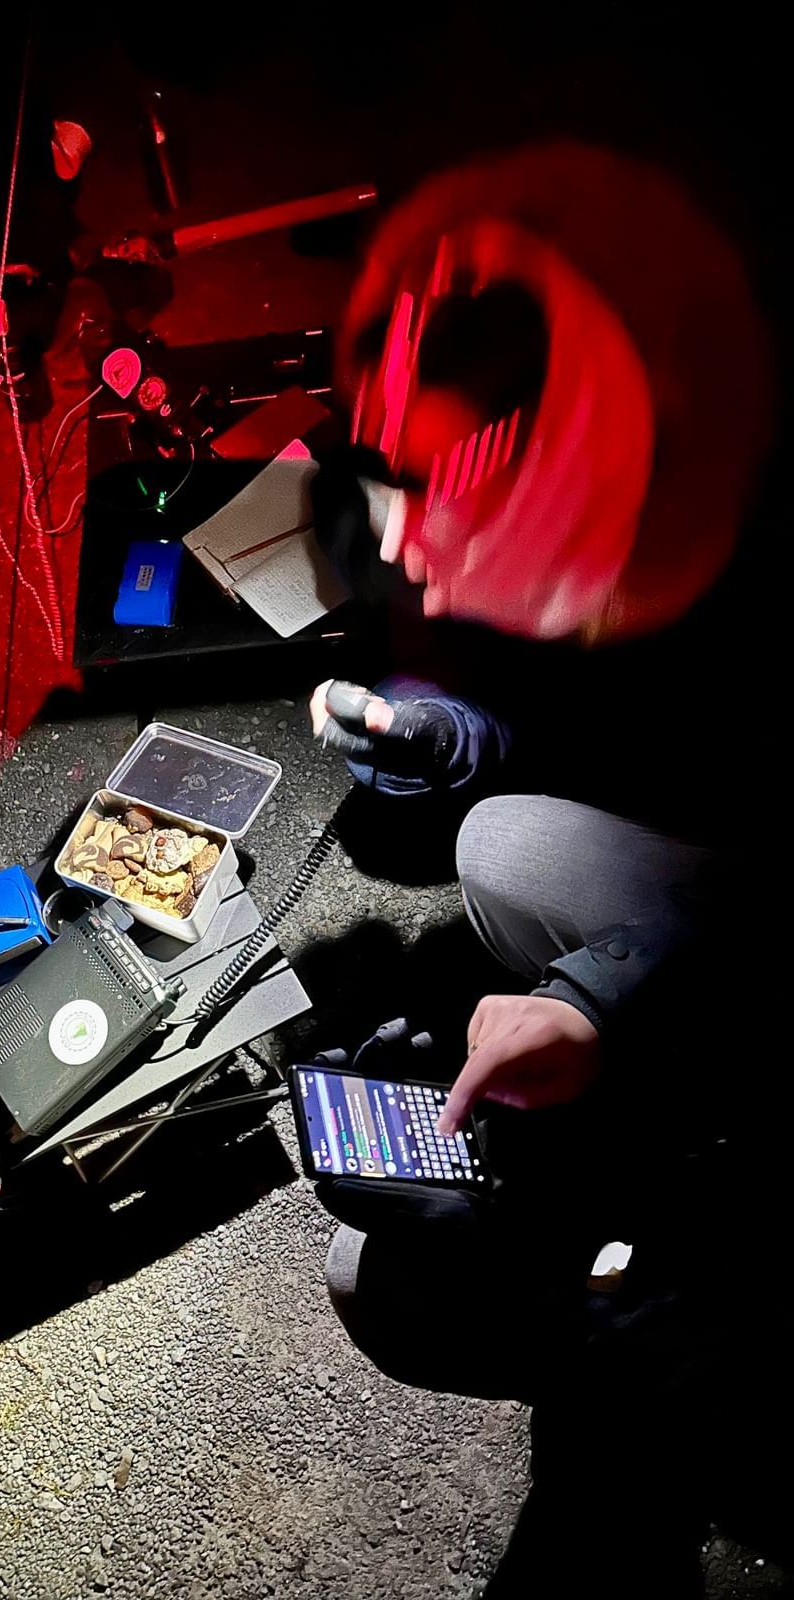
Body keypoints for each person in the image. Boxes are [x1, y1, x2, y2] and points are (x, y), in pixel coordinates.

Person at [308, 144, 790, 1597]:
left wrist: (562, 1249)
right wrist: (446, 740)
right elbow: (710, 860)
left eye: (453, 503)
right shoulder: (638, 555)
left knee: (390, 1287)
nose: (416, 560)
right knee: (499, 843)